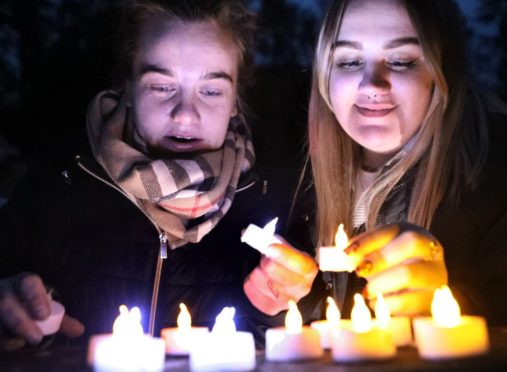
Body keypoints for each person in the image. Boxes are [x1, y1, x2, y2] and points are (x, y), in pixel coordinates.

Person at [0, 0, 317, 350]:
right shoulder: (54, 188)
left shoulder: (277, 204)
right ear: (128, 87)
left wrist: (276, 313)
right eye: (162, 86)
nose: (185, 115)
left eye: (211, 90)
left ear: (235, 101)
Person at [287, 0, 507, 326]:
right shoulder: (298, 183)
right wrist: (291, 301)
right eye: (350, 61)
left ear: (441, 69)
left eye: (400, 61)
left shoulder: (505, 172)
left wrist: (450, 303)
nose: (371, 84)